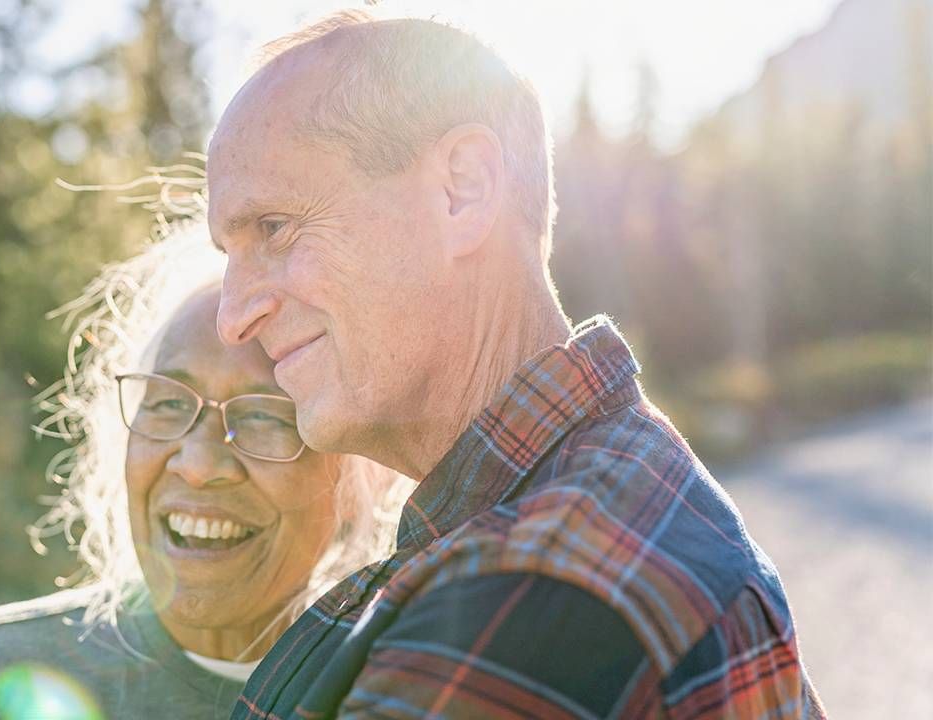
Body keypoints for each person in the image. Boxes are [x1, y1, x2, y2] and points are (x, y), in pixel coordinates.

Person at [208, 11, 825, 719]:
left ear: (461, 190)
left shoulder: (532, 590)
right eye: (228, 255)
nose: (233, 319)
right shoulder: (599, 494)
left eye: (273, 228)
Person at [0, 225, 408, 720]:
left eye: (262, 416)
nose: (198, 464)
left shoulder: (410, 686)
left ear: (358, 473)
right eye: (167, 403)